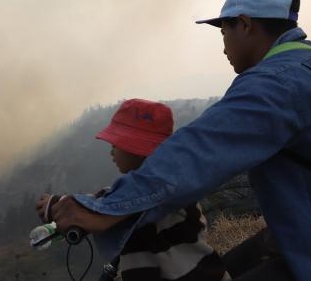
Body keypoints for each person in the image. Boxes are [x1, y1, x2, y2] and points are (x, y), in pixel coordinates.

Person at [47, 0, 311, 281]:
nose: (223, 43)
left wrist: (105, 209)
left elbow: (199, 151)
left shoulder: (276, 82)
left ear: (245, 24)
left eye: (223, 30)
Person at [37, 99, 229, 281]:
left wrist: (59, 204)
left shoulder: (158, 192)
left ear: (136, 148)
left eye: (115, 145)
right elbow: (113, 199)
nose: (111, 152)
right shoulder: (146, 190)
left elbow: (110, 203)